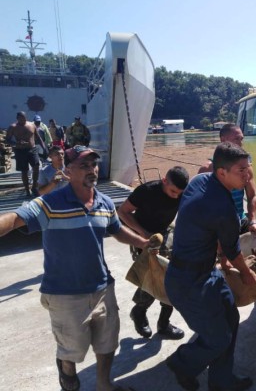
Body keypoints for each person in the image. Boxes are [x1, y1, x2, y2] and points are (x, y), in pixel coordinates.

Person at [0, 145, 152, 391]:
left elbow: (116, 230)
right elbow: (15, 218)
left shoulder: (104, 203)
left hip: (103, 287)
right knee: (74, 349)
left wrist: (142, 242)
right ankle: (66, 369)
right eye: (83, 166)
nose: (92, 169)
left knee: (107, 343)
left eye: (94, 164)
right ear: (68, 172)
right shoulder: (50, 203)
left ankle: (104, 384)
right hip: (64, 294)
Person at [165, 142, 256, 391]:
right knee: (218, 339)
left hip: (206, 272)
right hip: (188, 282)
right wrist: (247, 274)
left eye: (247, 168)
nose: (247, 175)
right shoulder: (224, 208)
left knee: (231, 317)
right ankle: (182, 363)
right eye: (241, 170)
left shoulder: (200, 180)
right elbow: (233, 250)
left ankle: (221, 380)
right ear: (222, 173)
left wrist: (221, 257)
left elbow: (205, 225)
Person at [199, 123, 256, 329]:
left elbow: (253, 195)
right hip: (217, 226)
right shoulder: (207, 170)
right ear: (223, 141)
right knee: (219, 268)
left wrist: (254, 220)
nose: (241, 142)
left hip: (239, 219)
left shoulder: (246, 166)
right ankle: (215, 315)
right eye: (236, 139)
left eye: (241, 138)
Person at [118, 166, 189, 340]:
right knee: (152, 278)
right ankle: (139, 311)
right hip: (143, 238)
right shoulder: (146, 191)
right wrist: (142, 233)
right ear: (165, 181)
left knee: (173, 279)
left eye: (180, 193)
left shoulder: (181, 193)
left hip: (165, 234)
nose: (176, 196)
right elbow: (123, 212)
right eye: (173, 191)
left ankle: (164, 324)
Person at [6, 111, 41, 197]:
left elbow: (38, 137)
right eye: (21, 119)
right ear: (17, 119)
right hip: (20, 151)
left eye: (24, 118)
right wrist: (17, 143)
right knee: (24, 171)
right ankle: (27, 190)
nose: (23, 120)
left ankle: (34, 187)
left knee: (36, 166)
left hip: (32, 149)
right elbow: (7, 139)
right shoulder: (13, 127)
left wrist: (44, 148)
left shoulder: (32, 125)